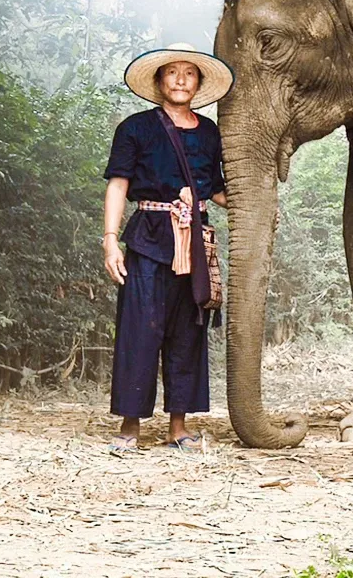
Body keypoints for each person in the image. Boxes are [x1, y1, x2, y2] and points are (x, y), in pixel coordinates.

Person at [101, 42, 234, 451]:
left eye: (189, 73)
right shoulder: (135, 128)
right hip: (148, 238)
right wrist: (110, 241)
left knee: (187, 331)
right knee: (139, 329)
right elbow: (118, 184)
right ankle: (129, 428)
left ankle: (179, 428)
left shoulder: (210, 133)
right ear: (159, 81)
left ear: (198, 83)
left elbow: (215, 190)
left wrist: (258, 203)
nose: (180, 79)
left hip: (194, 240)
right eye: (172, 72)